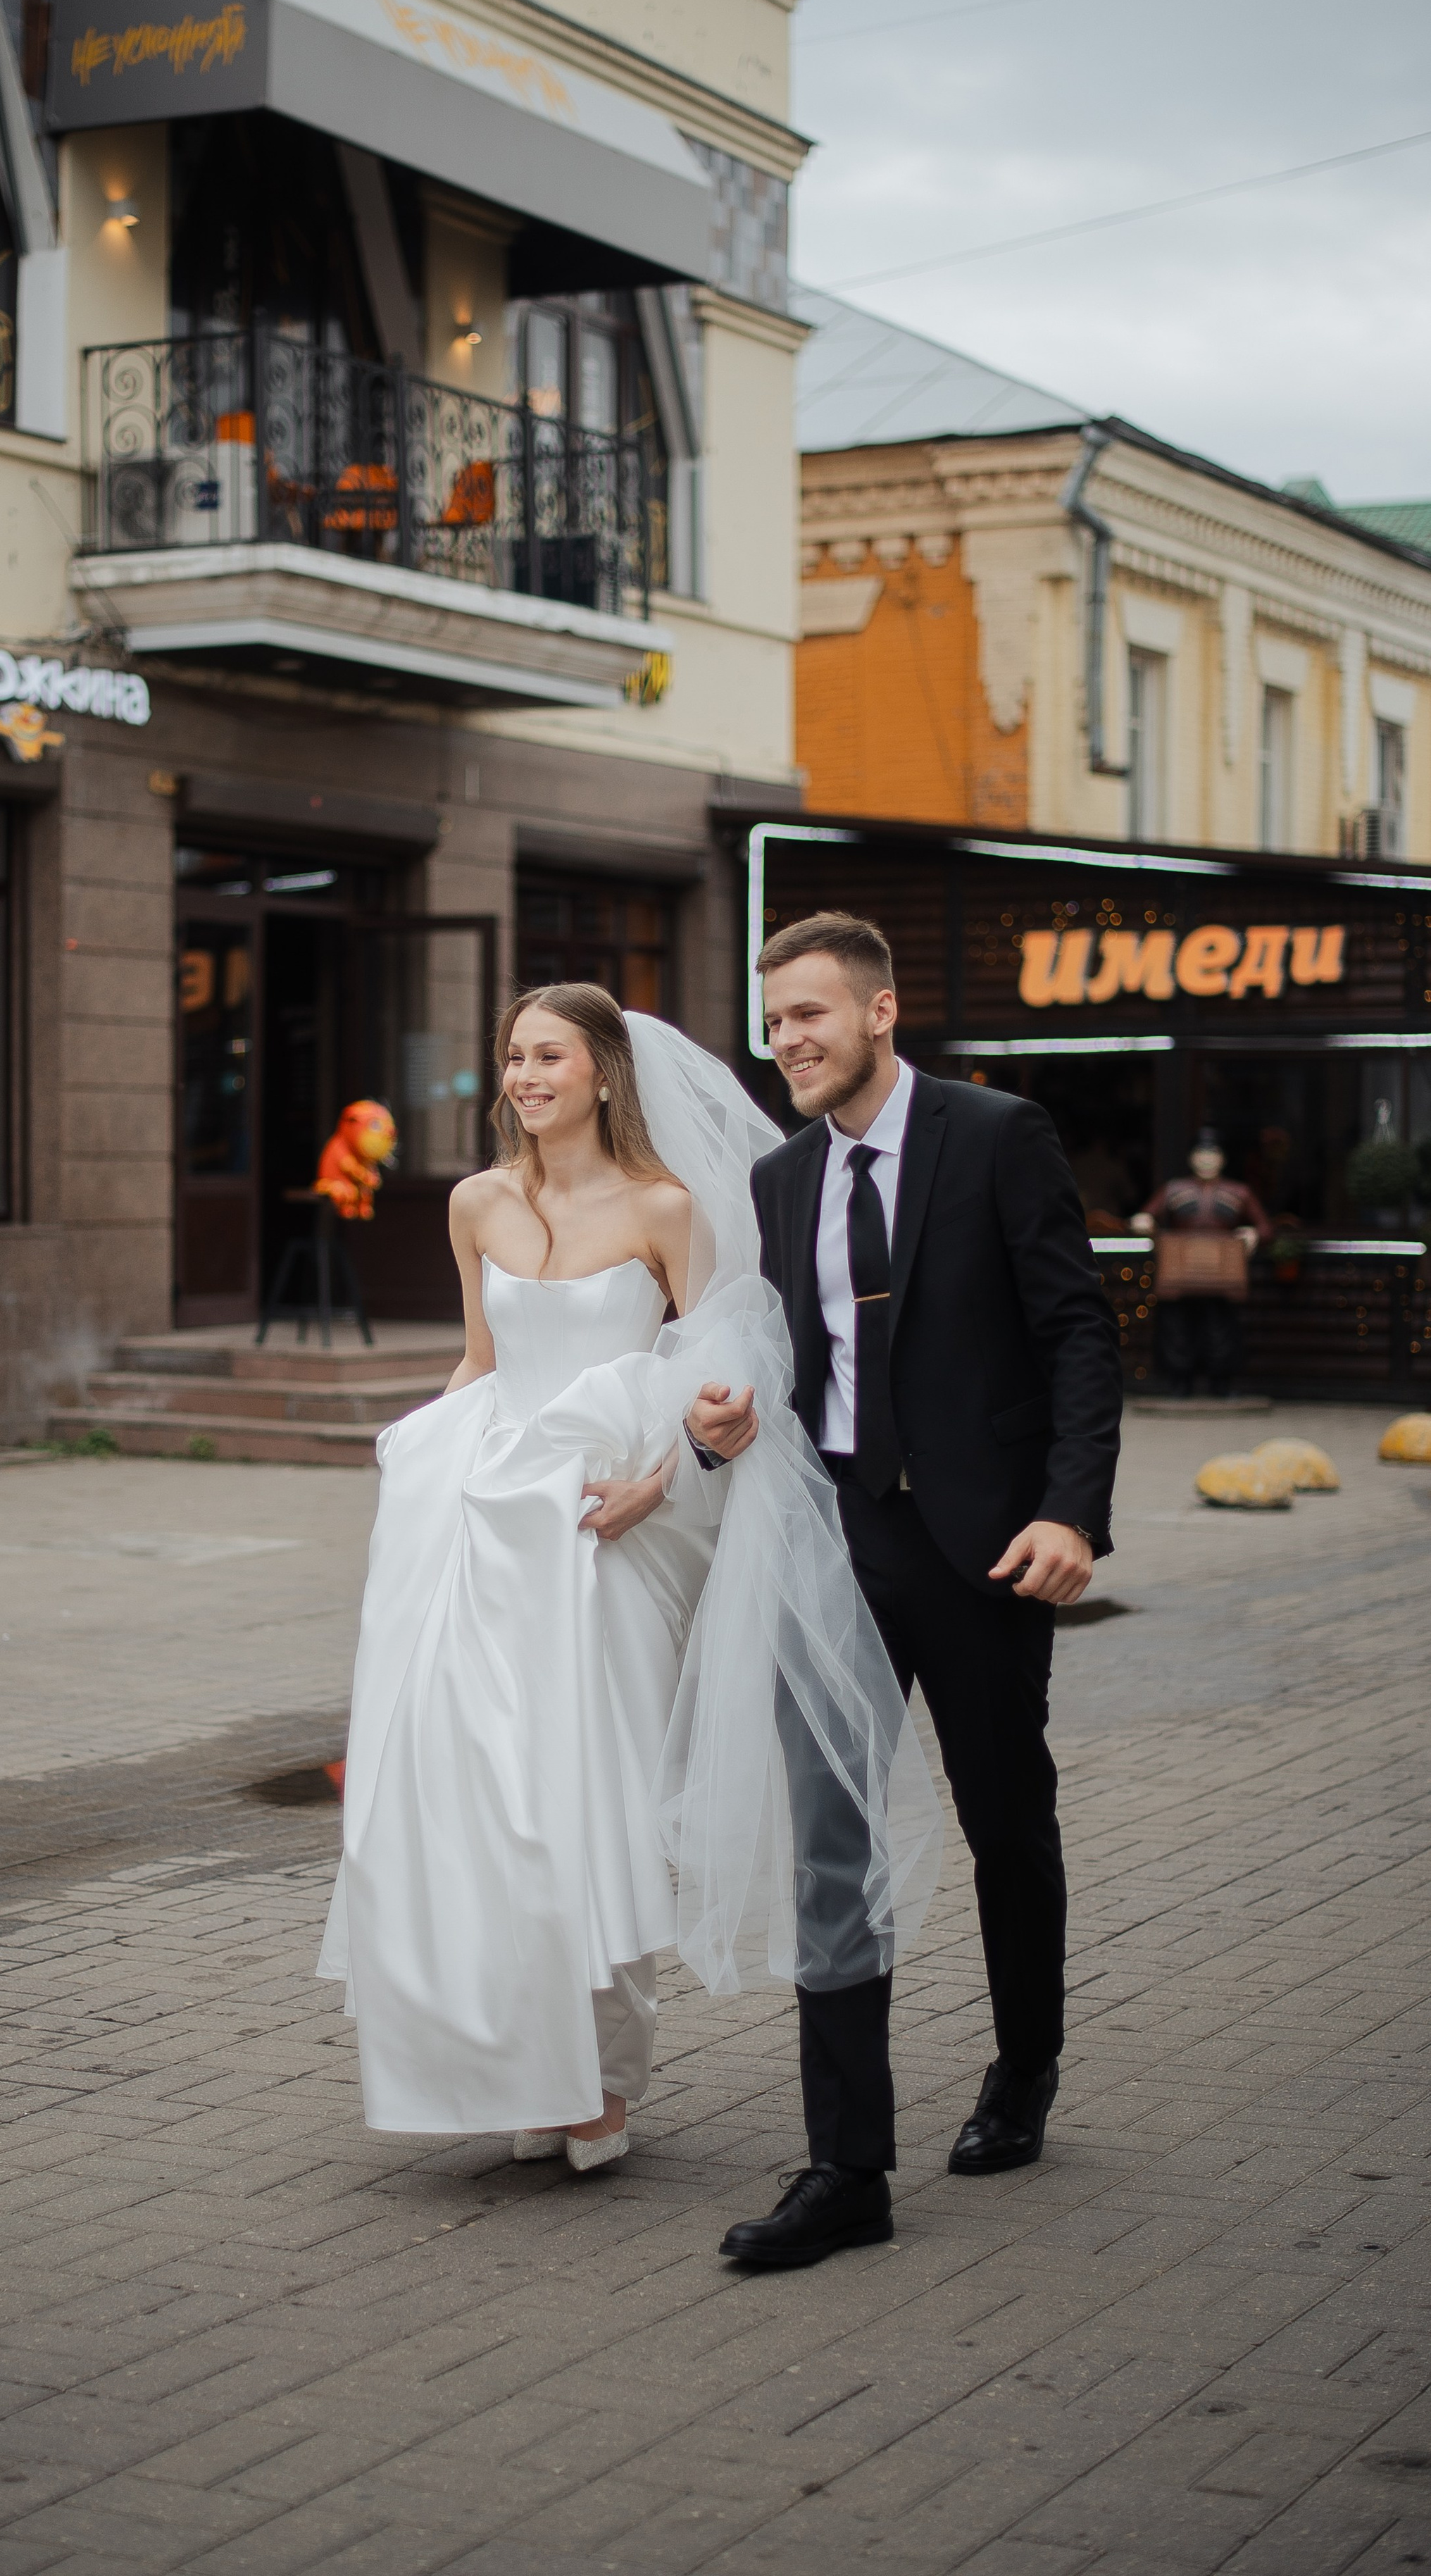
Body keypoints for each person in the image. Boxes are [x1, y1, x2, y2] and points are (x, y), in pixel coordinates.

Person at [318, 984, 941, 2185]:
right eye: (512, 1055)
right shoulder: (474, 1202)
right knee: (487, 1796)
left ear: (603, 1070)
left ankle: (605, 2077)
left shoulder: (668, 1206)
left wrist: (663, 1479)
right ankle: (519, 2064)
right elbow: (482, 1360)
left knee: (589, 1796)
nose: (525, 1075)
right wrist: (422, 1466)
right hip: (489, 1519)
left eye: (548, 1054)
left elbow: (731, 1354)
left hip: (619, 1524)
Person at [691, 911, 1122, 2274]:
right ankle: (849, 2169)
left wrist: (1071, 1512)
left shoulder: (998, 1136)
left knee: (1006, 1815)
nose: (789, 1041)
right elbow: (792, 1356)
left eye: (810, 1014)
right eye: (773, 1023)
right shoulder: (777, 1179)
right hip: (837, 1542)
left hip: (989, 1547)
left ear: (881, 1013)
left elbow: (1075, 1333)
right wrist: (723, 1426)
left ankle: (1025, 2065)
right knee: (833, 1841)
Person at [1130, 1131, 1271, 1399]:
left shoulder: (1239, 1192)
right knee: (1176, 1328)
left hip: (1222, 1272)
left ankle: (1222, 1384)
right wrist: (1144, 1221)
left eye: (1213, 1154)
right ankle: (1179, 1384)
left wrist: (1253, 1234)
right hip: (1180, 1270)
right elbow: (1146, 1215)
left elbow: (1266, 1229)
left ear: (1223, 1159)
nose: (1207, 1160)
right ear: (1191, 1158)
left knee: (1221, 1329)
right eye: (1201, 1154)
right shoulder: (1174, 1189)